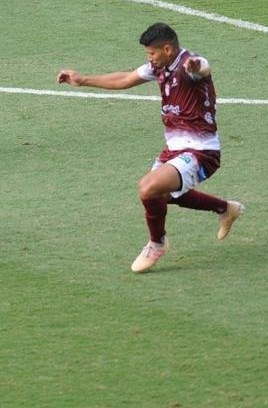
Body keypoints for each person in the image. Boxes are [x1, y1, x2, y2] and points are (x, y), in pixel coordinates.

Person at [56, 23, 244, 272]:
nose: (149, 58)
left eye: (151, 53)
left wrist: (197, 66)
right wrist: (82, 79)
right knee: (160, 197)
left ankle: (157, 243)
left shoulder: (190, 65)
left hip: (201, 151)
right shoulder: (161, 66)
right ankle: (225, 208)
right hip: (174, 149)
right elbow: (125, 78)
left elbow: (203, 67)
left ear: (167, 49)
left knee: (147, 188)